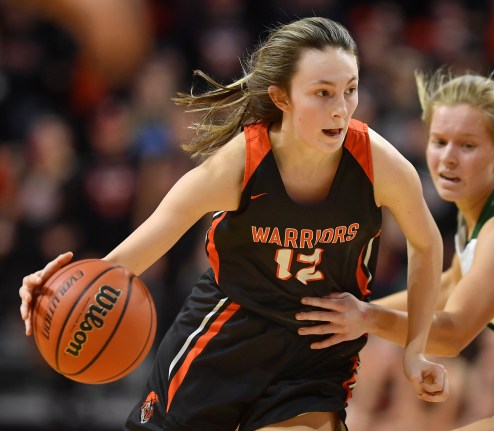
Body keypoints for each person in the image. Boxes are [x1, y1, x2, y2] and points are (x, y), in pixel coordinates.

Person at [18, 17, 448, 431]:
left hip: (314, 353)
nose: (341, 109)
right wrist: (64, 287)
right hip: (224, 339)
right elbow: (132, 255)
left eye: (350, 90)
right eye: (322, 93)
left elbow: (427, 245)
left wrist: (414, 349)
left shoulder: (378, 163)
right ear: (281, 97)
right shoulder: (239, 164)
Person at [296, 70, 494, 430]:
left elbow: (453, 333)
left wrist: (365, 319)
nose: (448, 158)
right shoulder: (479, 209)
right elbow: (449, 287)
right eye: (440, 141)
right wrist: (339, 314)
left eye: (466, 145)